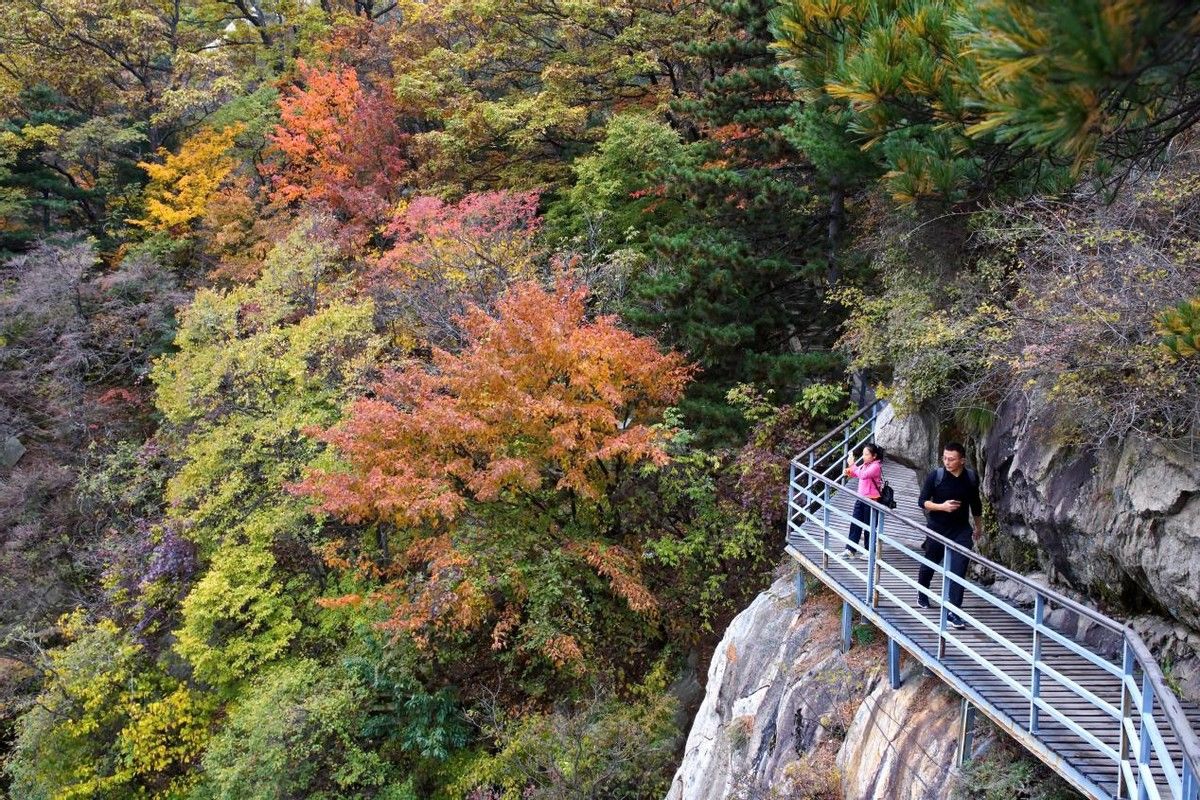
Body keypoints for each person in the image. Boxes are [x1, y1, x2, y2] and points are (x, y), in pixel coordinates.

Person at [916, 442, 982, 630]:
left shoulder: (970, 477)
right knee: (931, 561)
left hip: (961, 530)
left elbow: (976, 504)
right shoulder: (936, 476)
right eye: (944, 458)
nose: (947, 462)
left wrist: (978, 527)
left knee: (958, 569)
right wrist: (942, 506)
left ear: (962, 460)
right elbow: (922, 501)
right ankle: (922, 592)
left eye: (951, 459)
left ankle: (954, 612)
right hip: (937, 526)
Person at [843, 443, 883, 559]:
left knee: (869, 526)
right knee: (855, 523)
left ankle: (869, 551)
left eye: (866, 454)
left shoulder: (876, 466)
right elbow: (857, 473)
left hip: (871, 499)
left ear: (874, 456)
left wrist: (852, 465)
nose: (864, 456)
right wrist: (849, 470)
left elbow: (864, 475)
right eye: (863, 454)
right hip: (861, 498)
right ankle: (850, 549)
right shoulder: (866, 464)